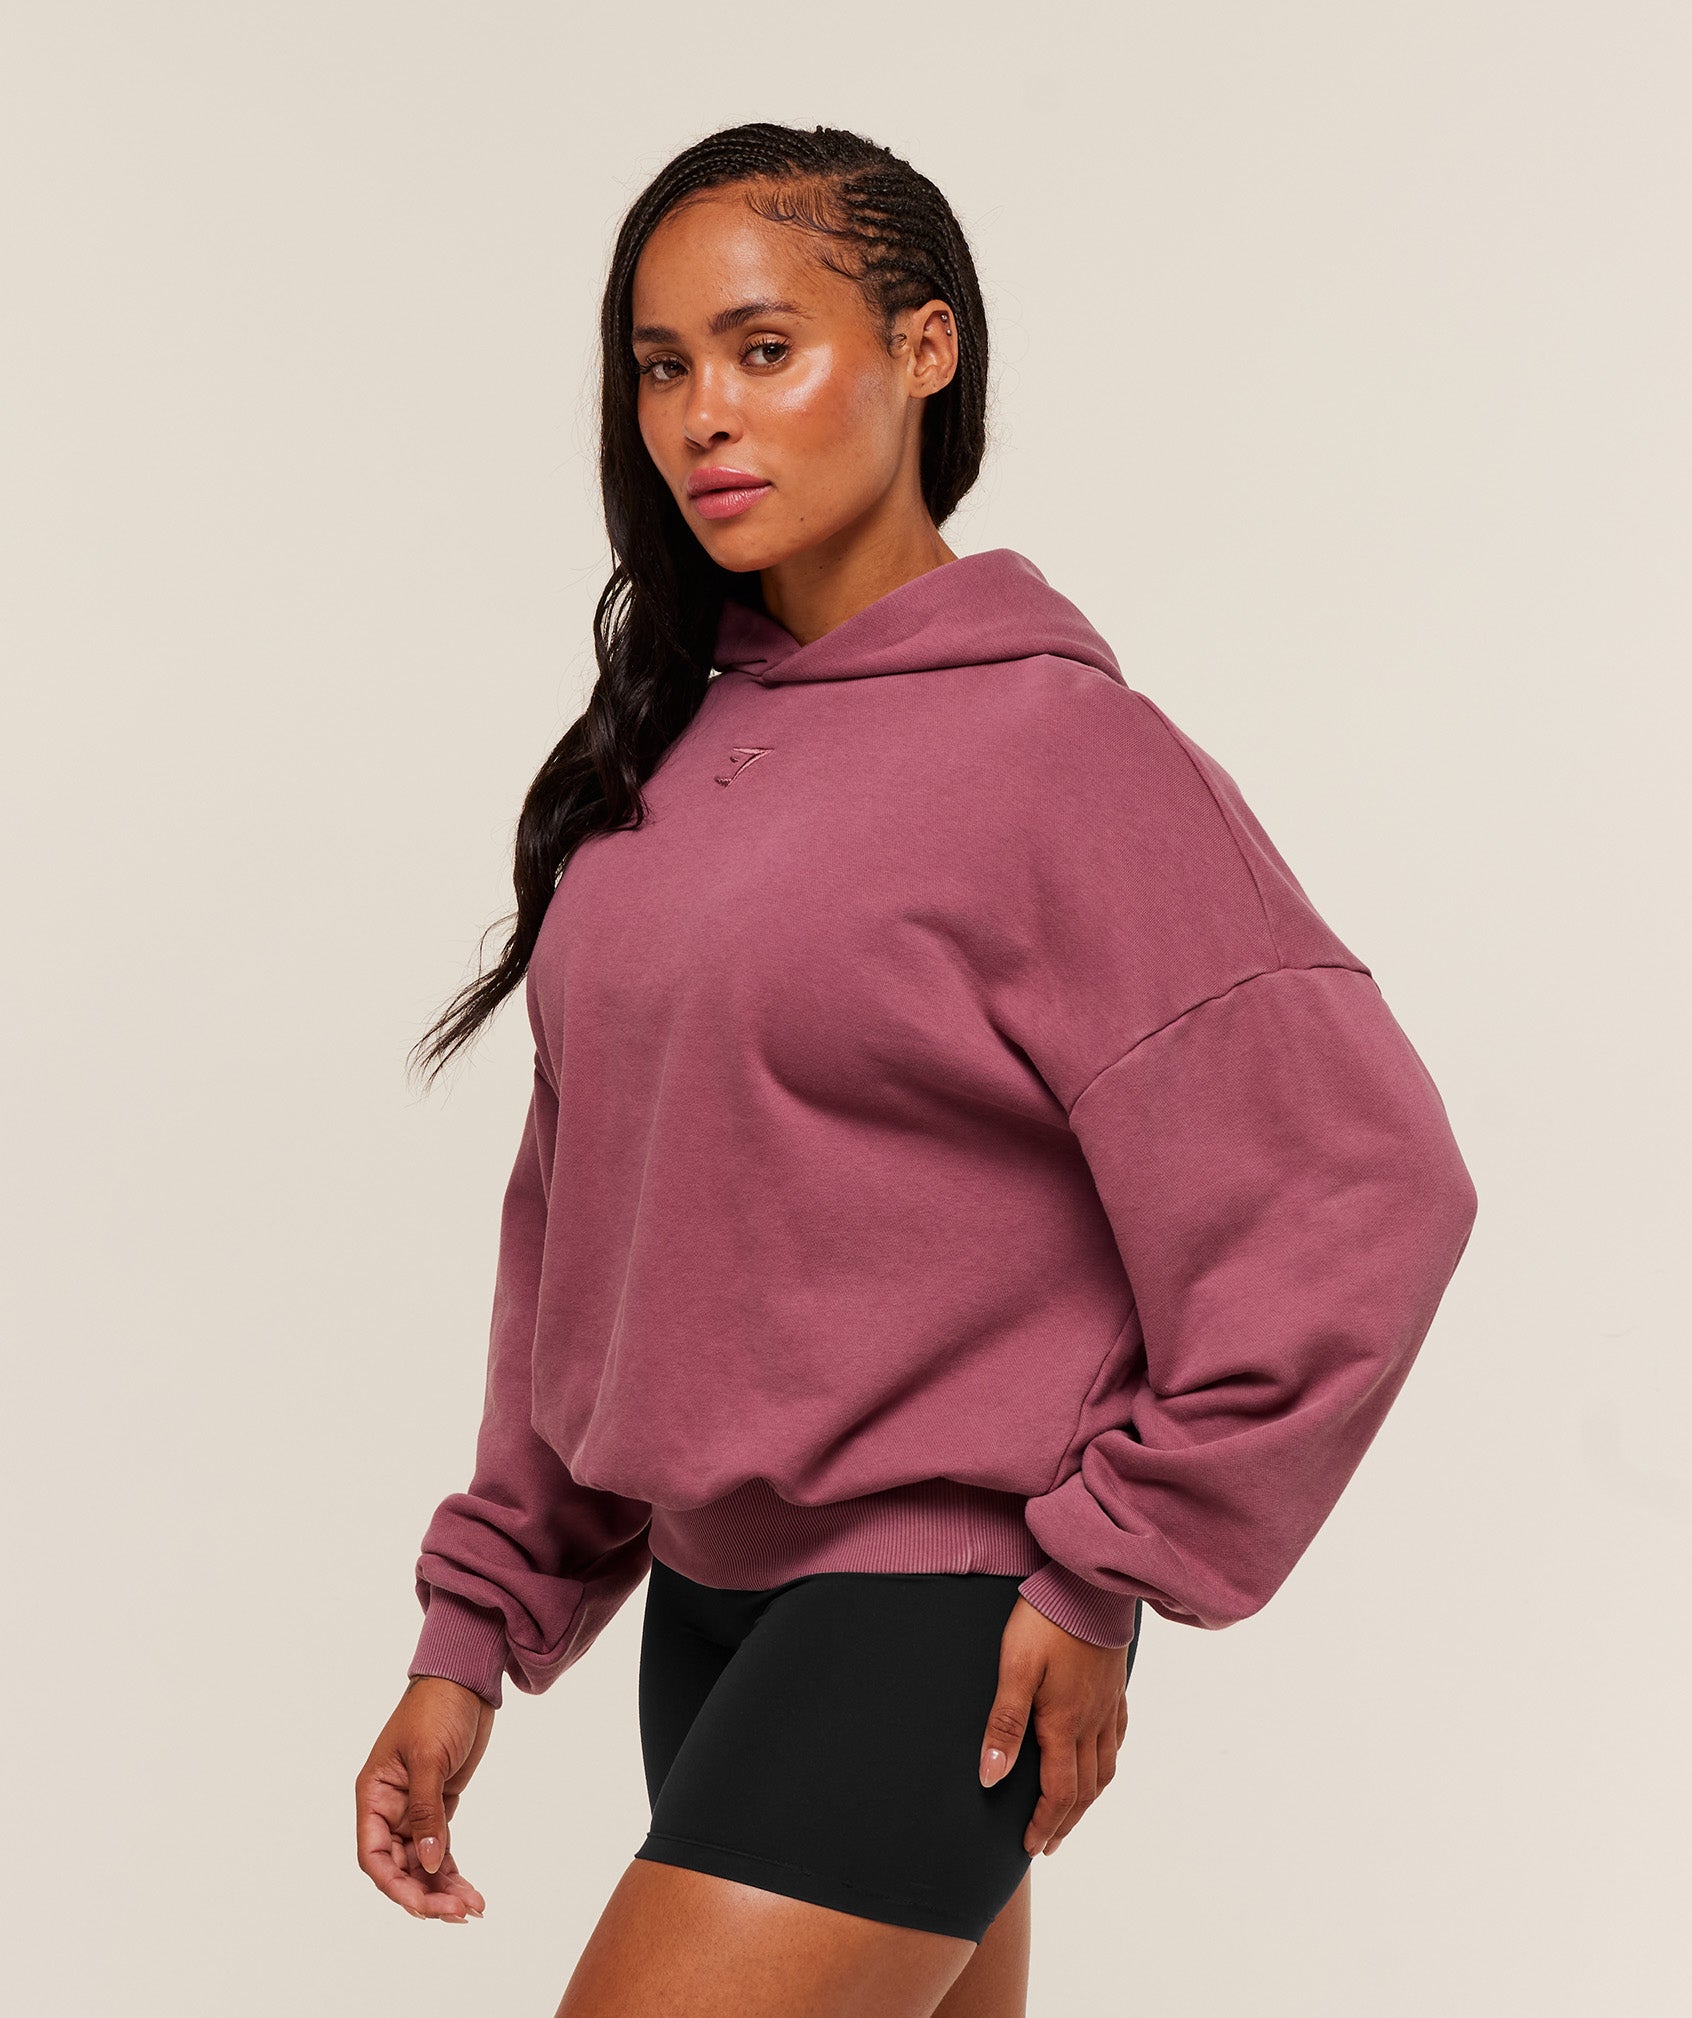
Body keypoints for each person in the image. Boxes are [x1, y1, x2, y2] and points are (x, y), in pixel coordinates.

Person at [354, 121, 1479, 2018]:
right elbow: (589, 1228)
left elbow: (1361, 1183)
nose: (704, 415)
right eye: (661, 366)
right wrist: (478, 1626)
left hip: (938, 1615)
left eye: (764, 348)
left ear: (923, 349)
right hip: (711, 1614)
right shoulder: (663, 765)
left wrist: (1113, 1559)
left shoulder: (1061, 755)